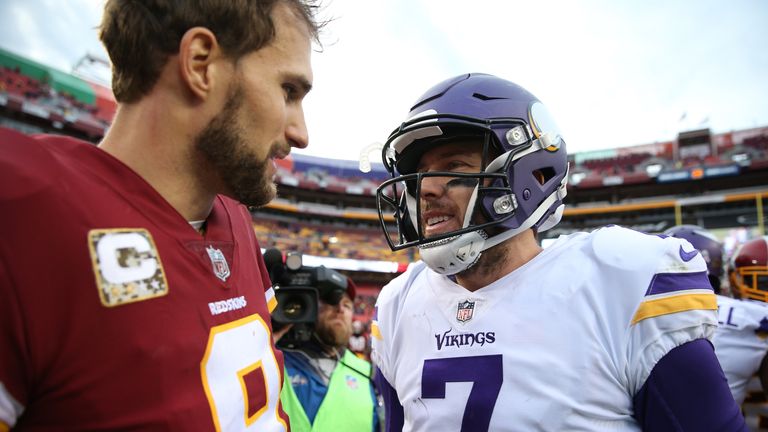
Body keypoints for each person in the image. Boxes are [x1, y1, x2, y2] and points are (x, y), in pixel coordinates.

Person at [0, 0, 321, 430]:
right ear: (201, 64)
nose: (301, 133)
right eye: (288, 91)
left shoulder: (235, 219)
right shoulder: (24, 216)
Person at [370, 73, 746, 431]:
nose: (428, 189)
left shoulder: (618, 280)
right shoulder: (399, 304)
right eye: (420, 175)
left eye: (454, 166)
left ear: (529, 172)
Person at [279, 277, 380, 431]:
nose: (340, 308)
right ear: (309, 306)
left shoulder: (365, 372)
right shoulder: (275, 362)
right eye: (331, 301)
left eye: (347, 305)